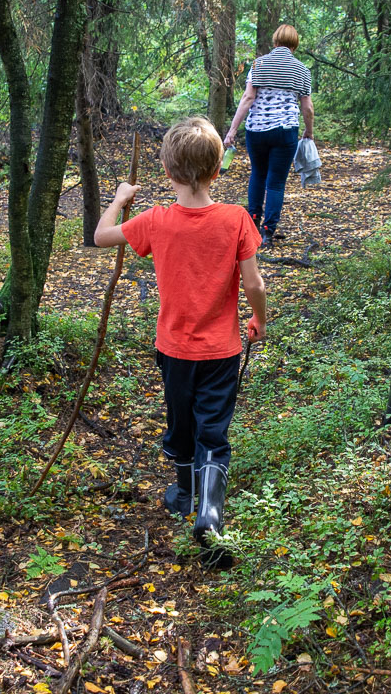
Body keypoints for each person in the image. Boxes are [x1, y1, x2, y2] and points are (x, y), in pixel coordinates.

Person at [94, 116, 266, 566]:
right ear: (217, 170)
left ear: (168, 173)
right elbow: (255, 285)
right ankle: (208, 513)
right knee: (213, 429)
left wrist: (119, 199)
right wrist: (258, 319)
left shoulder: (155, 221)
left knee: (181, 422)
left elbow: (99, 236)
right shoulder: (237, 219)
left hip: (173, 350)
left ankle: (185, 493)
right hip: (222, 350)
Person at [224, 24, 315, 246]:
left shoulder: (259, 64)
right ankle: (267, 232)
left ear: (275, 42)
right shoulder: (302, 70)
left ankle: (253, 223)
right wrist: (309, 132)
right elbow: (308, 108)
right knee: (275, 183)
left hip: (256, 130)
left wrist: (233, 130)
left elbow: (247, 99)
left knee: (258, 174)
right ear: (295, 44)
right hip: (285, 132)